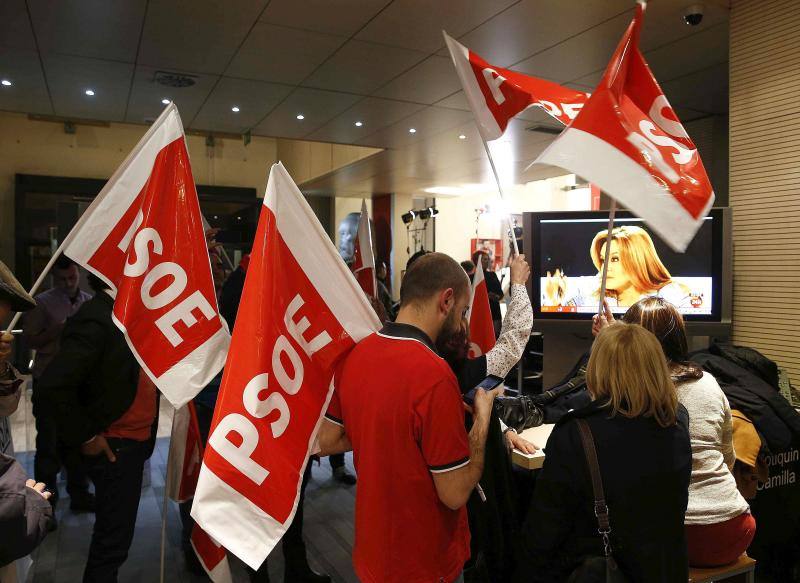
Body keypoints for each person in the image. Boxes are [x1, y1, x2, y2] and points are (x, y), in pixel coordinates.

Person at [318, 252, 502, 583]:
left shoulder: (355, 356)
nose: (462, 324)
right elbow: (455, 492)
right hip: (425, 562)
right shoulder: (434, 375)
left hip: (372, 553)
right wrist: (483, 421)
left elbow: (327, 439)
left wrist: (390, 434)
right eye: (462, 312)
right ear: (446, 300)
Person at [187, 257, 331, 583]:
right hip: (252, 409)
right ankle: (260, 575)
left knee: (293, 494)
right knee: (255, 501)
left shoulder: (280, 290)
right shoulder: (238, 292)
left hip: (281, 404)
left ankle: (296, 567)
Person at [516, 323, 692, 582]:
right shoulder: (676, 424)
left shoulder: (577, 434)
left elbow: (543, 535)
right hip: (666, 570)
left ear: (598, 370)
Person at [596, 297, 756, 567]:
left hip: (679, 535)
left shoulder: (637, 391)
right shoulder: (709, 382)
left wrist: (610, 348)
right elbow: (728, 460)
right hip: (736, 526)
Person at [37, 274, 159, 583]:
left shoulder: (129, 311)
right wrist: (87, 436)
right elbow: (53, 386)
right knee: (111, 544)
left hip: (134, 441)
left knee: (116, 539)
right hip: (116, 445)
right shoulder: (99, 316)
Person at [23, 256, 94, 513]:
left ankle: (80, 495)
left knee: (77, 442)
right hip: (49, 380)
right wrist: (60, 329)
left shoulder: (88, 302)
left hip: (77, 384)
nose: (68, 283)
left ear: (79, 275)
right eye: (63, 279)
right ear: (55, 278)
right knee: (48, 446)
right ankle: (46, 503)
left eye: (72, 278)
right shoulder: (42, 303)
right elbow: (30, 340)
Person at [590, 225, 689, 308]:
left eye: (615, 259)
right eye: (603, 260)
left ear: (638, 260)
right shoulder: (591, 295)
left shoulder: (671, 296)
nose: (605, 268)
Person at [472, 251, 504, 336]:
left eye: (488, 259)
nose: (487, 262)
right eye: (484, 259)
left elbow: (500, 294)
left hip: (494, 314)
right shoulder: (471, 278)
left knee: (494, 337)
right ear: (477, 261)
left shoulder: (492, 275)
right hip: (478, 314)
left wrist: (494, 296)